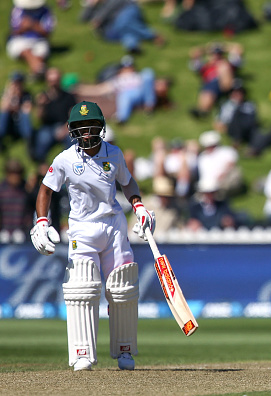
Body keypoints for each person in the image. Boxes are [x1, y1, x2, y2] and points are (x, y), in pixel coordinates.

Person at [30, 101, 156, 371]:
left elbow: (128, 182)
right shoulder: (65, 159)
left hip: (112, 225)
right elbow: (45, 189)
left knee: (122, 288)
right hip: (82, 229)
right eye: (79, 129)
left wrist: (139, 206)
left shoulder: (114, 153)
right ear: (71, 130)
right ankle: (82, 353)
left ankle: (124, 350)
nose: (85, 134)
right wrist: (41, 222)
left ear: (100, 128)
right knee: (82, 288)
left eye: (91, 128)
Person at [75, 55, 156, 124]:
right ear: (121, 69)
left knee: (147, 73)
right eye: (125, 67)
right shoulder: (118, 80)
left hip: (142, 91)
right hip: (129, 94)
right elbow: (99, 89)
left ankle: (149, 105)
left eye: (130, 66)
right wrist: (81, 89)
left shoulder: (138, 75)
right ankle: (122, 118)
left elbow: (149, 83)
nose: (128, 69)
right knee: (125, 96)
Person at [80, 0, 166, 54]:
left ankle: (150, 35)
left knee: (124, 23)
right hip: (113, 26)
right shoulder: (93, 6)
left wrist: (100, 18)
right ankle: (133, 44)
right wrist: (91, 5)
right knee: (123, 28)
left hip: (127, 11)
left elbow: (115, 4)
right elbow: (82, 18)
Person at [33, 67, 78, 163]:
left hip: (65, 125)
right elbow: (39, 118)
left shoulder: (68, 96)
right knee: (42, 140)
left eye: (55, 81)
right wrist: (41, 106)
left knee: (73, 141)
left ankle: (73, 162)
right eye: (51, 81)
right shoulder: (43, 97)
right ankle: (41, 164)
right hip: (48, 126)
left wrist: (65, 128)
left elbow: (73, 116)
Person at [188, 42, 243, 118]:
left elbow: (238, 49)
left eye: (219, 53)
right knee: (206, 94)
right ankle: (203, 110)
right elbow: (194, 53)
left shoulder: (228, 63)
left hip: (225, 84)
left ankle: (204, 110)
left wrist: (224, 48)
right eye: (214, 53)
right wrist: (207, 49)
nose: (216, 55)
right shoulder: (206, 66)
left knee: (223, 67)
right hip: (210, 85)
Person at [6, 0, 56, 80]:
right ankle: (39, 69)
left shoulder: (45, 11)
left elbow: (47, 31)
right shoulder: (18, 10)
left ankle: (35, 72)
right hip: (20, 39)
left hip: (39, 40)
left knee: (40, 53)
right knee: (27, 52)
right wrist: (24, 28)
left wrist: (32, 25)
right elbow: (15, 30)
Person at [0, 72, 34, 153]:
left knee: (24, 116)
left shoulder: (26, 95)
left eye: (19, 83)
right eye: (15, 83)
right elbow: (3, 108)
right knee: (4, 114)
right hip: (8, 125)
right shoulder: (7, 95)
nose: (17, 85)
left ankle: (29, 141)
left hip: (20, 125)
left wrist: (17, 101)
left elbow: (27, 110)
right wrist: (10, 94)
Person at [0, 158, 34, 235]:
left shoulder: (26, 189)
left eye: (17, 173)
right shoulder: (1, 190)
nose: (15, 177)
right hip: (4, 233)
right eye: (12, 173)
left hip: (22, 233)